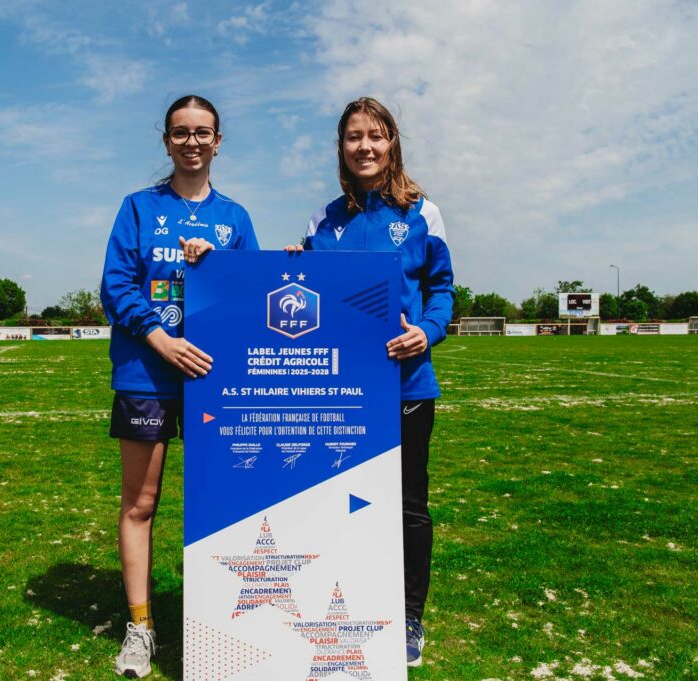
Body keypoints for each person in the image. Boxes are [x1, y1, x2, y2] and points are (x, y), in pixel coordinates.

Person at [286, 96, 454, 668]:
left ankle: (408, 617)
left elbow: (443, 291)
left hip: (405, 386)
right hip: (336, 394)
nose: (365, 146)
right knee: (336, 504)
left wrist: (426, 334)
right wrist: (288, 266)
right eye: (354, 136)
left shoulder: (422, 213)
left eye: (376, 136)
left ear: (392, 143)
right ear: (341, 147)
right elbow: (305, 297)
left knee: (407, 506)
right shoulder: (322, 221)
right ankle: (344, 604)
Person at [100, 94, 260, 678]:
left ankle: (220, 622)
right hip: (147, 374)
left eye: (203, 132)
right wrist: (158, 338)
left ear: (219, 142)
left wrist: (218, 266)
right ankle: (140, 627)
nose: (192, 142)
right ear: (166, 140)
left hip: (215, 382)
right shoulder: (139, 208)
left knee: (222, 505)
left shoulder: (235, 218)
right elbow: (116, 286)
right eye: (180, 132)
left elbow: (251, 296)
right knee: (141, 504)